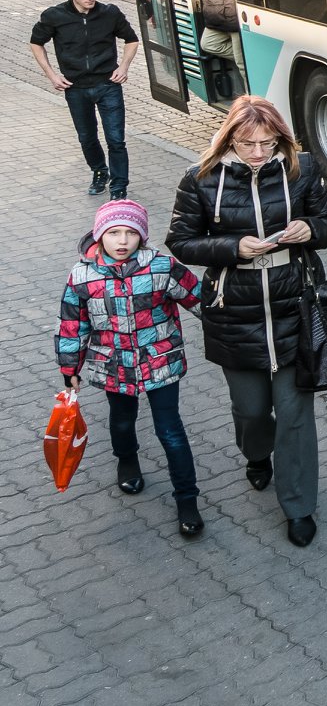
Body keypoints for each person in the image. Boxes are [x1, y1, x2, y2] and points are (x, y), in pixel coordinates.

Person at [167, 96, 327, 548]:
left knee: (295, 415)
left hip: (294, 307)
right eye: (248, 144)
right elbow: (181, 241)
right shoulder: (200, 178)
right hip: (234, 313)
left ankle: (299, 506)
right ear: (230, 140)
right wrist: (232, 247)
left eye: (268, 143)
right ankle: (257, 453)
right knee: (250, 410)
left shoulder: (302, 168)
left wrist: (311, 229)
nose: (260, 153)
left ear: (281, 138)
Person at [56, 199, 206, 537]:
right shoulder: (82, 275)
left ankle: (187, 499)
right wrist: (70, 367)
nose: (122, 241)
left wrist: (236, 329)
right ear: (99, 235)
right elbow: (72, 325)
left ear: (142, 236)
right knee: (122, 419)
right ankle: (127, 459)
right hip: (113, 366)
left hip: (160, 362)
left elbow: (201, 301)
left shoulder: (162, 267)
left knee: (170, 431)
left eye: (131, 233)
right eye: (114, 233)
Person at [30, 0, 139, 200]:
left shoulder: (109, 13)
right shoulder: (54, 16)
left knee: (116, 139)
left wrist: (124, 67)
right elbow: (36, 43)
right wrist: (51, 75)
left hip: (108, 85)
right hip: (75, 88)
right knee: (87, 137)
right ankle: (99, 171)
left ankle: (119, 186)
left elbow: (131, 39)